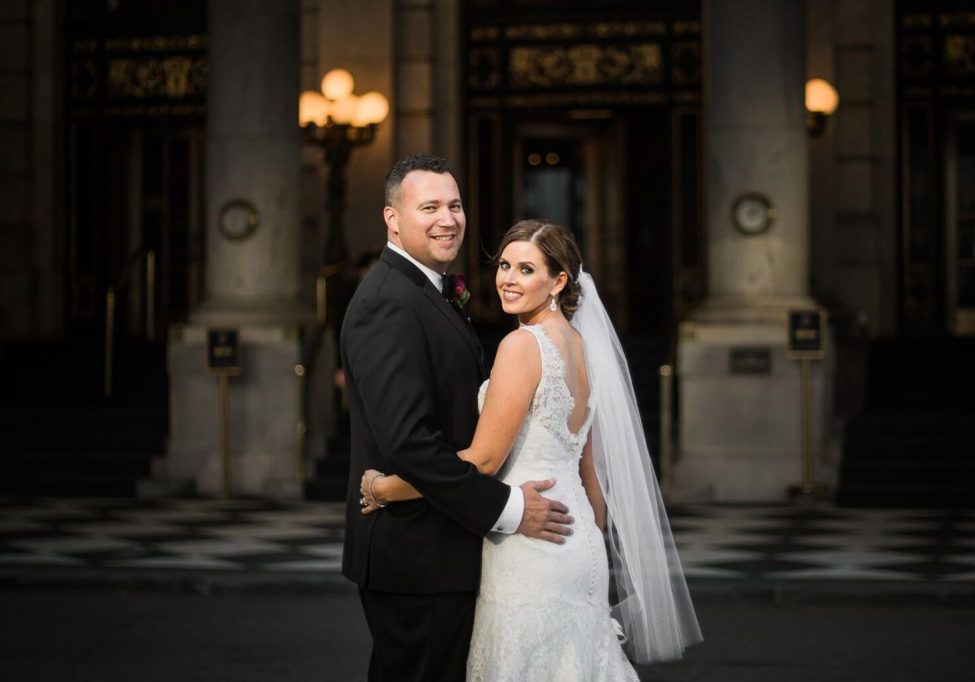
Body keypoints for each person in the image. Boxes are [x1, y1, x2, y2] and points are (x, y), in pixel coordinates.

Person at [361, 219, 702, 680]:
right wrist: (586, 537)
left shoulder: (523, 346)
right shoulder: (583, 347)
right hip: (577, 540)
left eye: (526, 269)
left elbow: (482, 460)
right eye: (504, 265)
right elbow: (592, 480)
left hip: (530, 548)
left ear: (559, 281)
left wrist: (387, 488)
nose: (507, 279)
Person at [340, 155, 575, 682]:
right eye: (429, 207)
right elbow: (410, 443)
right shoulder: (389, 303)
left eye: (455, 205)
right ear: (392, 218)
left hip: (442, 548)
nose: (448, 218)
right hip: (416, 555)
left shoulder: (427, 291)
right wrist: (509, 508)